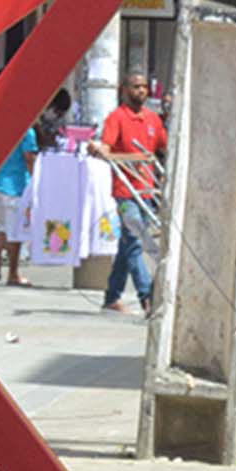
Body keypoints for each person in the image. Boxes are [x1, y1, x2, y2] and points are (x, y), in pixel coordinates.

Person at [91, 71, 167, 314]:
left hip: (146, 189)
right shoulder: (116, 118)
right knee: (135, 241)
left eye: (144, 86)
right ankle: (147, 296)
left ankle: (112, 296)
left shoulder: (154, 120)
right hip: (125, 191)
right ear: (124, 89)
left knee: (128, 244)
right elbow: (107, 145)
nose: (141, 91)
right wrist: (99, 149)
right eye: (135, 87)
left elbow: (164, 146)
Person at [0, 121, 38, 287]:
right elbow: (29, 158)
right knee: (15, 233)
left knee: (2, 226)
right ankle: (13, 274)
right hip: (14, 187)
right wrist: (36, 181)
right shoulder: (27, 131)